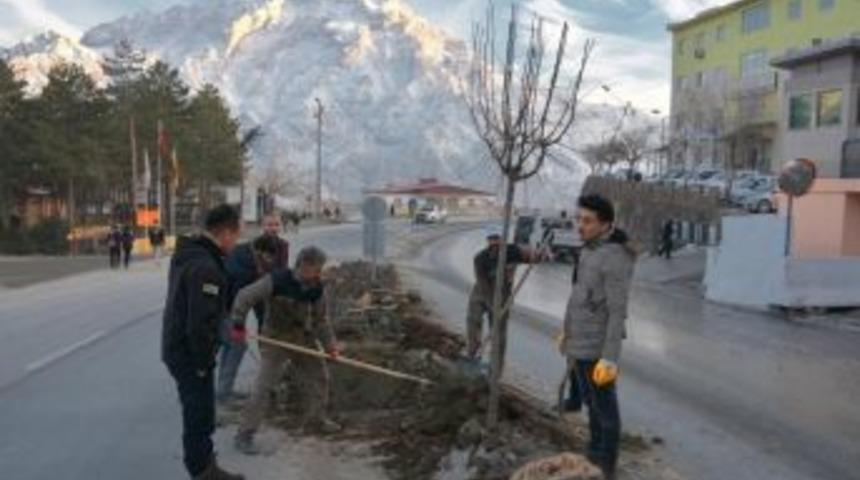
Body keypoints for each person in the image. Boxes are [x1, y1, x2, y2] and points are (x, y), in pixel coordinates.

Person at [228, 246, 340, 455]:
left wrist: (330, 345)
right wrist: (237, 324)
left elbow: (321, 321)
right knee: (263, 386)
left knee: (320, 377)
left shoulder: (317, 289)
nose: (320, 273)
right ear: (304, 266)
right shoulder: (277, 280)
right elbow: (244, 297)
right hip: (275, 340)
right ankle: (245, 434)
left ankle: (317, 419)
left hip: (302, 339)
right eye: (317, 268)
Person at [161, 204, 244, 480]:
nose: (237, 241)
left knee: (200, 411)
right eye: (237, 234)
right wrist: (202, 362)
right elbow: (199, 323)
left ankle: (206, 466)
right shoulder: (205, 267)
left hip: (178, 348)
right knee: (199, 415)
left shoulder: (191, 254)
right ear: (226, 233)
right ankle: (202, 472)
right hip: (189, 354)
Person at [559, 194, 637, 479]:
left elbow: (618, 312)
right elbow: (578, 296)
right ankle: (593, 459)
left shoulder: (614, 258)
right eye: (579, 219)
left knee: (605, 412)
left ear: (606, 225)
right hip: (580, 342)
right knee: (591, 406)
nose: (581, 226)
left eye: (588, 221)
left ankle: (606, 467)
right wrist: (566, 331)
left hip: (598, 348)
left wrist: (610, 359)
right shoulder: (589, 250)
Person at [216, 214, 290, 403]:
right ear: (259, 252)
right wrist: (238, 326)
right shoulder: (241, 260)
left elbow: (276, 276)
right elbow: (239, 298)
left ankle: (224, 390)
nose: (268, 263)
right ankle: (223, 394)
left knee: (235, 344)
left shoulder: (267, 252)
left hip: (242, 301)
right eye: (266, 259)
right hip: (222, 305)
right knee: (236, 344)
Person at [466, 226, 541, 369]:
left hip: (502, 297)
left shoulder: (513, 251)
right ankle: (473, 354)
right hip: (482, 294)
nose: (494, 242)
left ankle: (496, 368)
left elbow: (532, 256)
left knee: (499, 335)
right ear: (488, 241)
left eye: (497, 239)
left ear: (502, 239)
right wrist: (493, 304)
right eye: (491, 240)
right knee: (473, 320)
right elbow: (483, 285)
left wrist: (540, 255)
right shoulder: (480, 258)